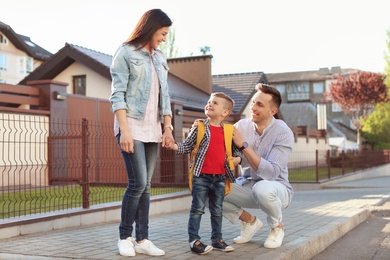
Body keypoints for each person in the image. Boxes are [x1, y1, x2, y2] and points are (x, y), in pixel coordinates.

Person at [109, 9, 173, 257]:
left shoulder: (159, 57)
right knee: (136, 184)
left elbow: (165, 96)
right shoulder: (125, 52)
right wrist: (124, 131)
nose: (164, 39)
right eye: (163, 33)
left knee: (146, 186)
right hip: (131, 126)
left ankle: (143, 239)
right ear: (152, 28)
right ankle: (125, 237)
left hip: (152, 128)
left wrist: (167, 128)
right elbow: (117, 95)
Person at [165, 92, 241, 255]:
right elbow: (186, 146)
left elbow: (236, 152)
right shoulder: (199, 127)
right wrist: (173, 146)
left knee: (217, 210)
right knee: (197, 209)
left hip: (220, 177)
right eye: (209, 101)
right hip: (201, 176)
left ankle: (217, 239)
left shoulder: (229, 131)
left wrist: (237, 160)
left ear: (225, 112)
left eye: (215, 103)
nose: (209, 104)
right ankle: (194, 240)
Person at [223, 83, 294, 249]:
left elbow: (271, 172)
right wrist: (201, 128)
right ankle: (250, 222)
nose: (253, 107)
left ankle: (277, 227)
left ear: (272, 111)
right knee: (208, 189)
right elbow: (224, 143)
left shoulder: (283, 133)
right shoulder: (241, 126)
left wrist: (243, 146)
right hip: (247, 185)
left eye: (259, 104)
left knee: (262, 188)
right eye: (254, 102)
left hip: (276, 191)